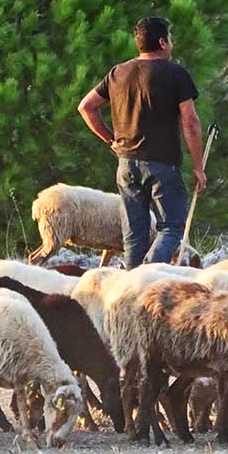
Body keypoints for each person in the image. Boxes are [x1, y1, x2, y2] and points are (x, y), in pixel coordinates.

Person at [77, 16, 207, 269]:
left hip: (126, 165)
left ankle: (133, 287)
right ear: (162, 42)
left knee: (134, 234)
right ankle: (149, 272)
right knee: (171, 227)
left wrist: (110, 139)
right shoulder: (176, 74)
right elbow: (190, 123)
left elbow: (86, 107)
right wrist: (199, 167)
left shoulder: (118, 72)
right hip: (162, 165)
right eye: (169, 38)